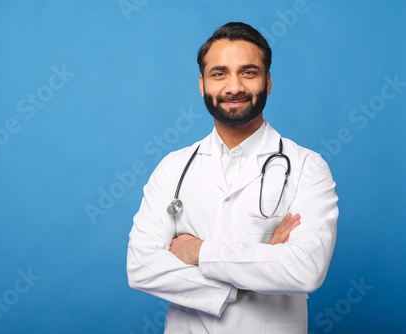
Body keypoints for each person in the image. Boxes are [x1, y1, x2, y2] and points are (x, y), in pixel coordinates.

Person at [127, 22, 338, 333]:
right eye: (219, 73)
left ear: (268, 81)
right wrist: (245, 283)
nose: (234, 87)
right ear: (202, 84)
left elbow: (305, 270)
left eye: (249, 72)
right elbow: (142, 267)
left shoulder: (307, 166)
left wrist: (198, 251)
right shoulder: (174, 167)